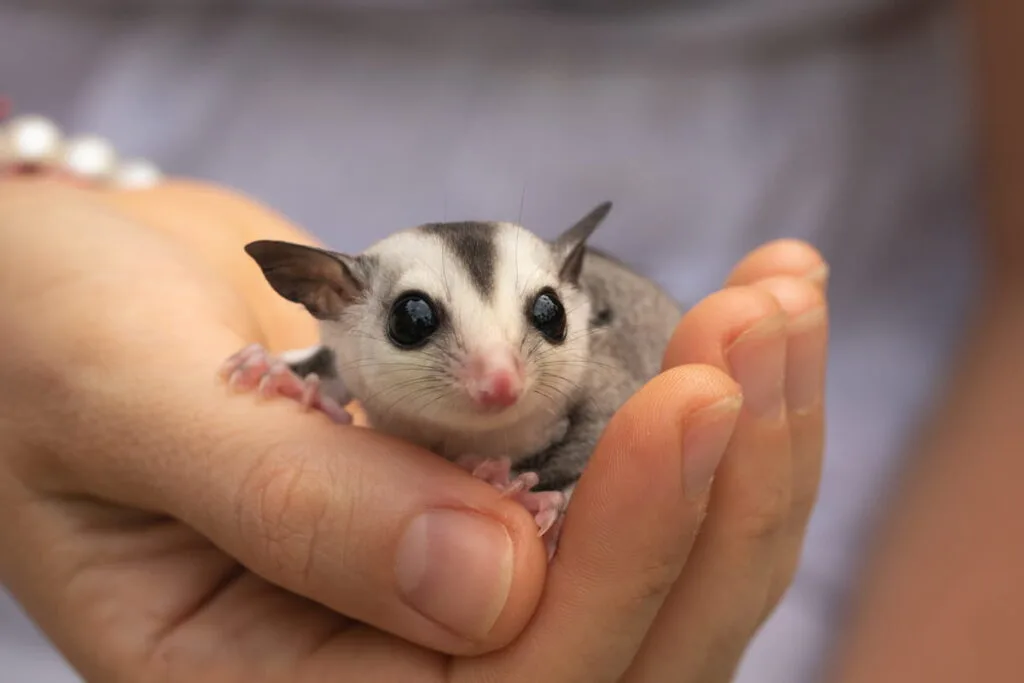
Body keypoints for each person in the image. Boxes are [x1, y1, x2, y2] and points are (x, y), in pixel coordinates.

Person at [0, 0, 1012, 681]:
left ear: (576, 297)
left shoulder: (595, 367)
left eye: (537, 322)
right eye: (415, 325)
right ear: (326, 301)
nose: (497, 375)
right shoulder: (339, 342)